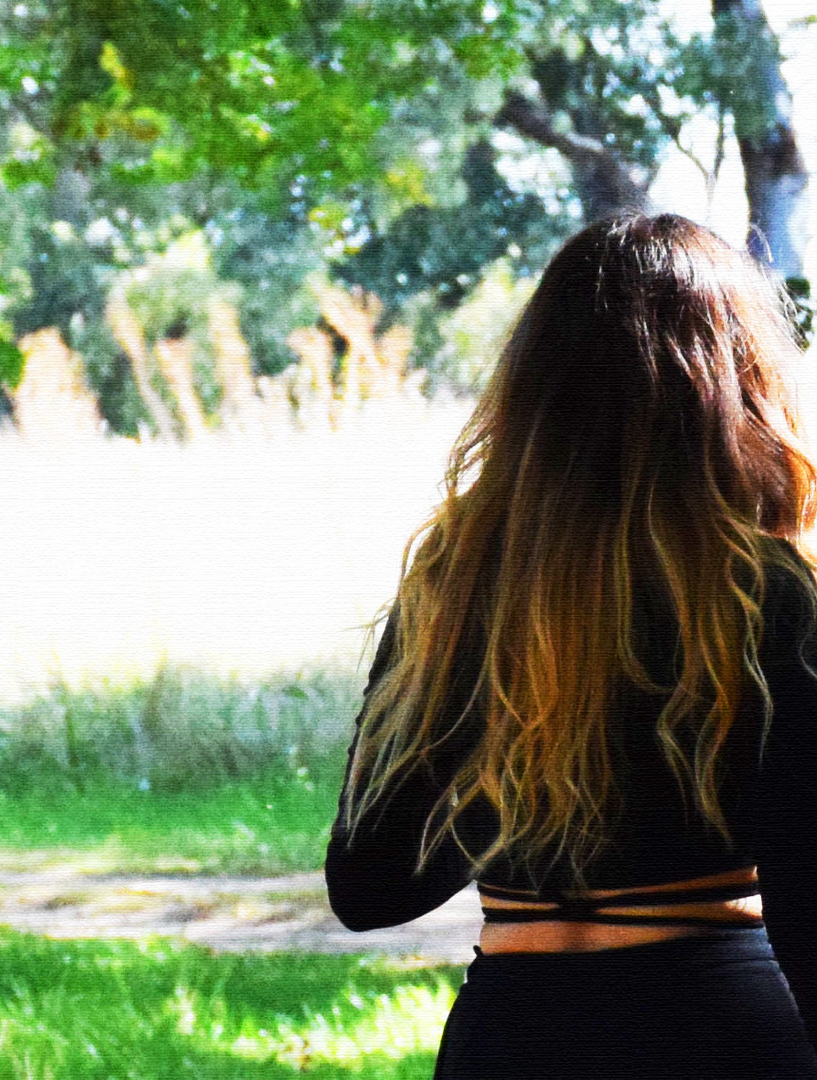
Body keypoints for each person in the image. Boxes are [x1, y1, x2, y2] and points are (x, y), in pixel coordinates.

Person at [326, 213, 817, 1079]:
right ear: (736, 383)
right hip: (719, 1029)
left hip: (510, 1035)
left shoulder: (455, 588)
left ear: (538, 395)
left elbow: (369, 887)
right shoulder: (771, 595)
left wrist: (524, 740)